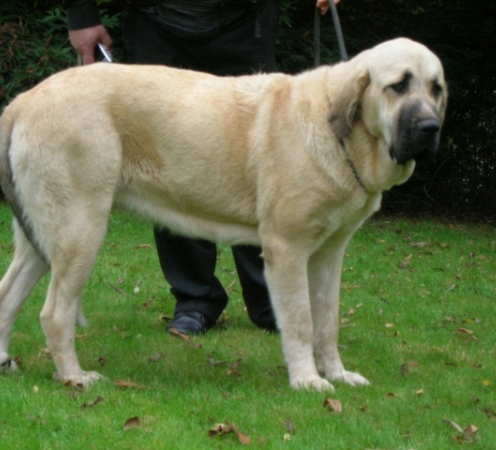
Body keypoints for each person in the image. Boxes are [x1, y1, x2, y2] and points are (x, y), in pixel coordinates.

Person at [65, 0, 338, 335]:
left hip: (244, 21)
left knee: (262, 163)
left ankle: (272, 302)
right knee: (167, 162)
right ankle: (195, 300)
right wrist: (81, 15)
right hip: (156, 21)